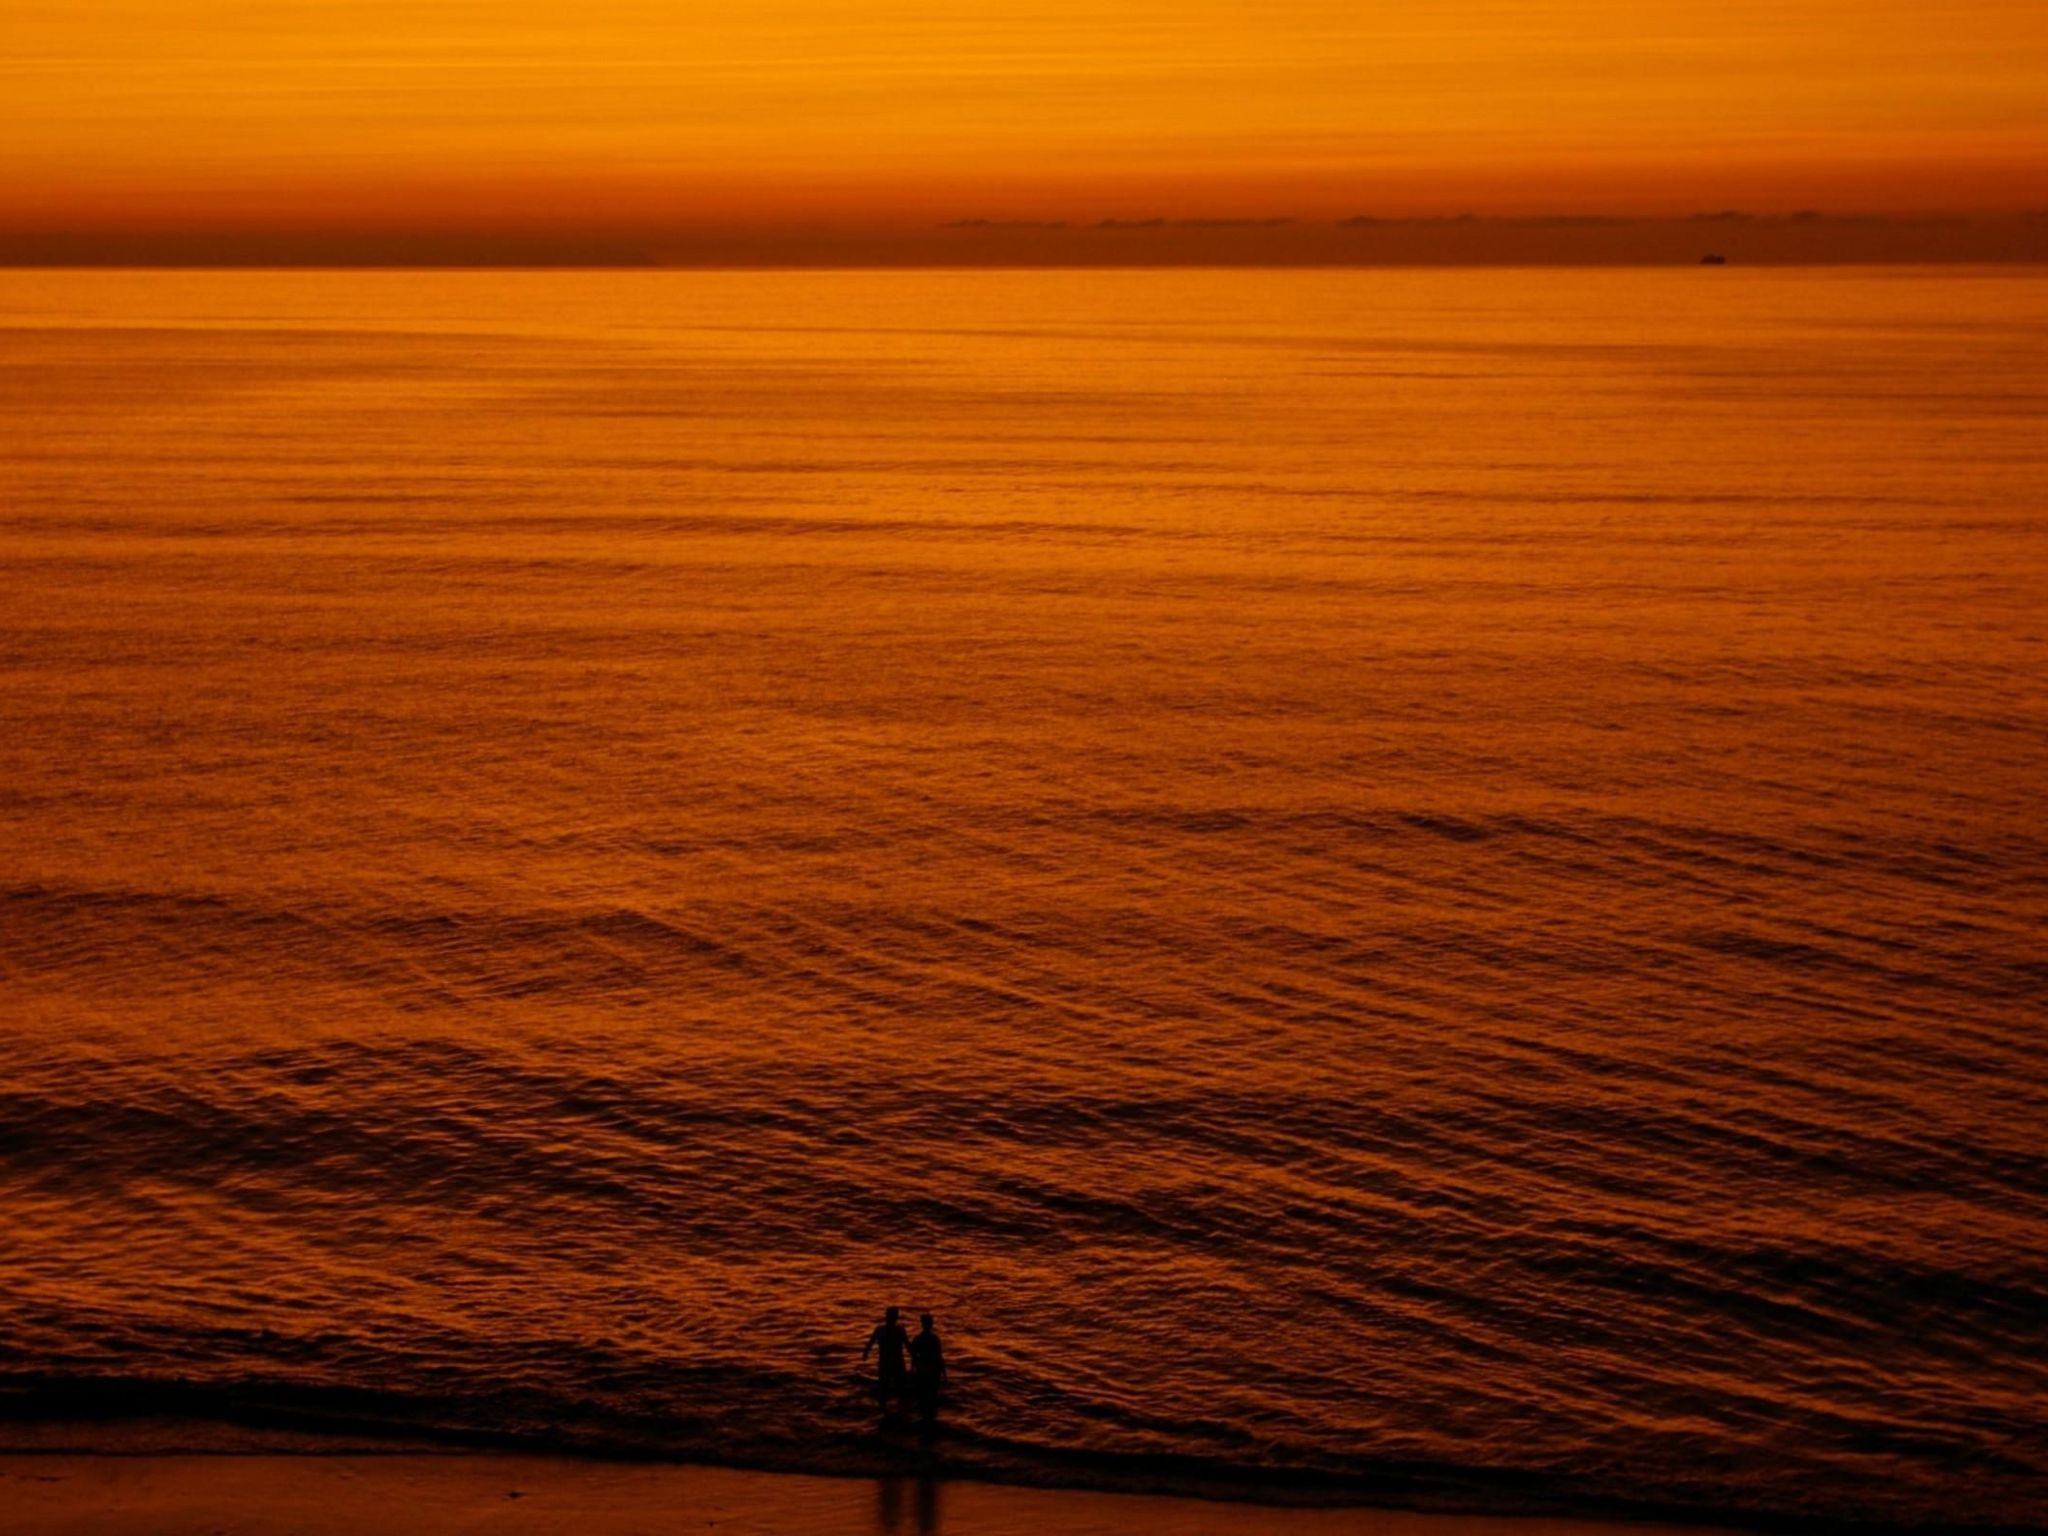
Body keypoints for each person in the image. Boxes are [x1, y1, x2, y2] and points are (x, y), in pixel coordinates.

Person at [862, 1305, 911, 1409]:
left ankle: (884, 1410)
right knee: (899, 1391)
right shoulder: (897, 1330)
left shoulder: (882, 1330)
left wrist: (866, 1353)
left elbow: (870, 1344)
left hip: (888, 1364)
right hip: (895, 1364)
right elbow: (908, 1346)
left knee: (886, 1391)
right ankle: (898, 1411)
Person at [909, 1311, 946, 1427]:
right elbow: (939, 1357)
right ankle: (930, 1420)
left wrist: (912, 1370)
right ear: (931, 1324)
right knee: (932, 1397)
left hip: (922, 1370)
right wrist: (945, 1375)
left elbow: (913, 1356)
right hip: (933, 1371)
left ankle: (923, 1420)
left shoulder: (917, 1339)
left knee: (922, 1397)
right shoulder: (935, 1339)